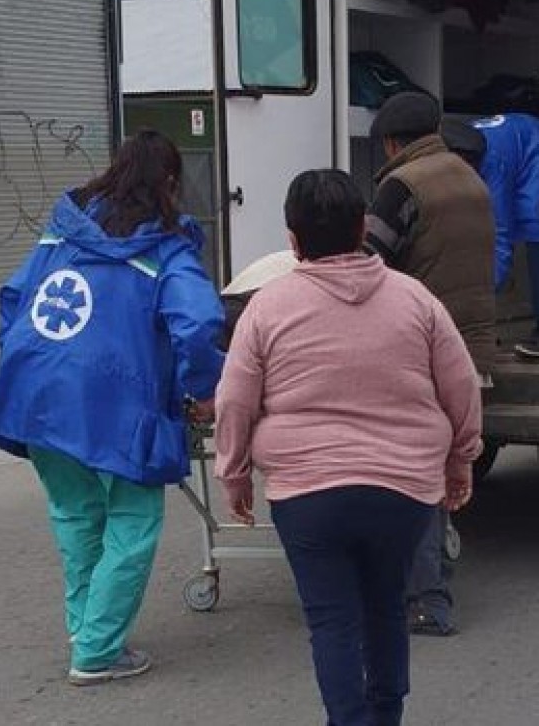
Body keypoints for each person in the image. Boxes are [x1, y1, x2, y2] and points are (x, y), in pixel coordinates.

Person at [215, 169, 483, 726]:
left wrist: (234, 472)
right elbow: (460, 386)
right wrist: (460, 460)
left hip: (308, 494)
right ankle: (385, 716)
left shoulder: (268, 307)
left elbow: (235, 398)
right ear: (363, 227)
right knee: (386, 605)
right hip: (404, 488)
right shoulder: (416, 300)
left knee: (332, 620)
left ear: (292, 240)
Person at [0, 130, 224, 686]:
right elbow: (200, 323)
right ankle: (96, 651)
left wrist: (33, 367)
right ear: (170, 182)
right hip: (117, 400)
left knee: (75, 514)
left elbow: (14, 300)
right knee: (133, 522)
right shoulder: (166, 249)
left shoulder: (59, 235)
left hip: (37, 392)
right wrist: (204, 387)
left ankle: (87, 629)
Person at [363, 91, 496, 638]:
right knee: (435, 466)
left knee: (408, 472)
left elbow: (368, 262)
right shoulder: (470, 178)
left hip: (420, 346)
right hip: (472, 344)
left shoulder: (402, 186)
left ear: (392, 142)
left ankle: (426, 598)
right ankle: (431, 573)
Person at [444, 110, 539, 360]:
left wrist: (486, 293)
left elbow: (499, 231)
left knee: (536, 224)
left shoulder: (491, 162)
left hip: (538, 149)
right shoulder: (453, 149)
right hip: (519, 136)